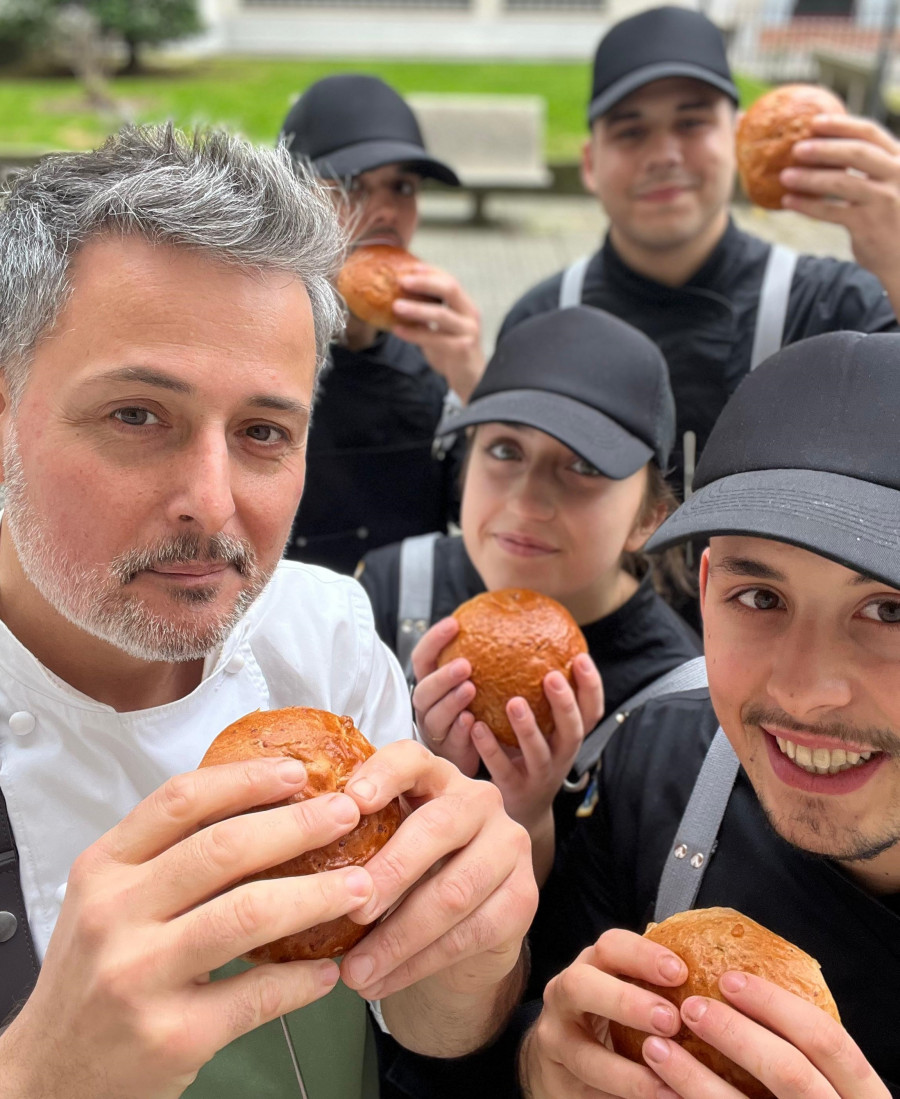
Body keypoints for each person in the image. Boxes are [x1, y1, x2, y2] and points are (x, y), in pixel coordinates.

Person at [0, 124, 537, 1099]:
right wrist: (41, 1074)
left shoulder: (326, 638)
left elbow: (426, 1019)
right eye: (137, 414)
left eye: (262, 431)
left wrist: (476, 956)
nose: (214, 503)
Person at [380, 329, 900, 1099]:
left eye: (889, 608)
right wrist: (534, 1064)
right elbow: (494, 1039)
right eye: (760, 597)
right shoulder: (657, 769)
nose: (804, 690)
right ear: (707, 581)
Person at [499, 5, 900, 503]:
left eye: (691, 123)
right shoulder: (544, 321)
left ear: (737, 139)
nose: (665, 154)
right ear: (589, 163)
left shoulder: (833, 310)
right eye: (631, 131)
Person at [359, 306, 701, 882]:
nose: (527, 502)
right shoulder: (390, 589)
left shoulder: (682, 708)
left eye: (583, 465)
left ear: (650, 520)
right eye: (505, 451)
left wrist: (528, 813)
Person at [278, 73, 485, 574]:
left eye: (403, 187)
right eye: (351, 187)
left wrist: (480, 388)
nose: (386, 212)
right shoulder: (245, 351)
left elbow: (487, 523)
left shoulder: (436, 360)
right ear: (290, 197)